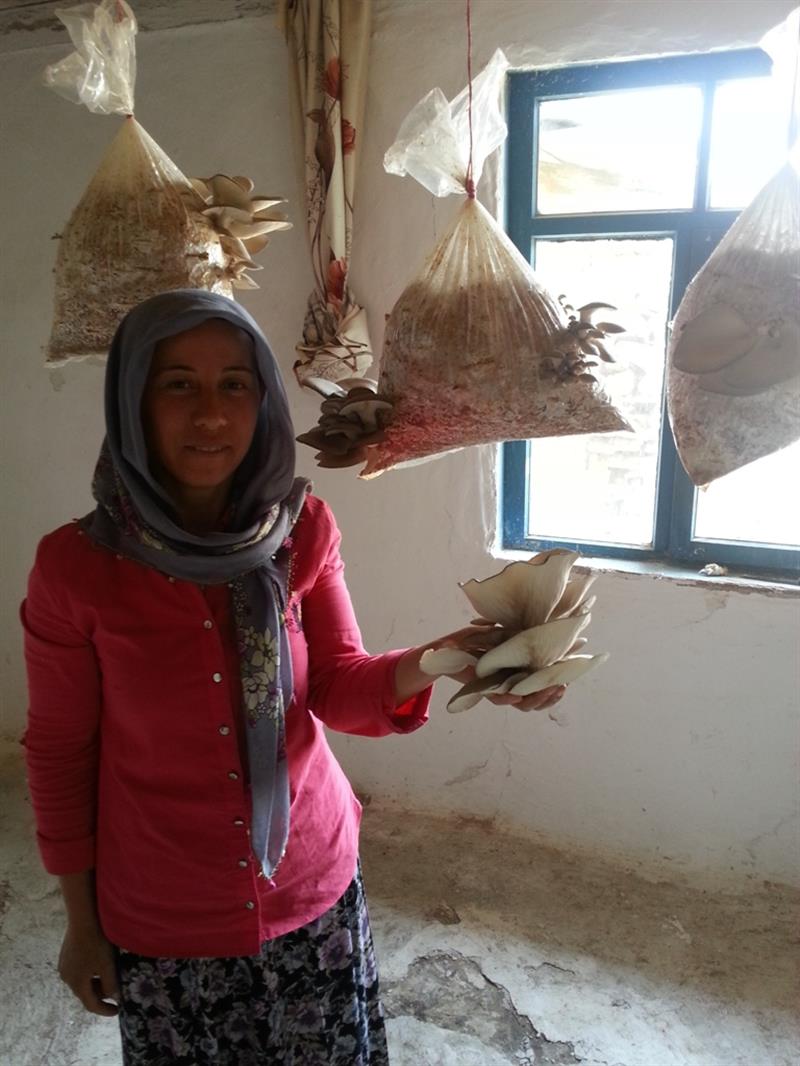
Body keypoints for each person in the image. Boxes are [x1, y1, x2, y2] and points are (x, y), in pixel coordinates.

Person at [21, 289, 565, 1066]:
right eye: (177, 384)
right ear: (132, 398)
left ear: (264, 399)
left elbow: (337, 685)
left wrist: (454, 657)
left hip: (314, 894)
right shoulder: (76, 570)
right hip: (167, 920)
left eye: (234, 384)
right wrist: (80, 924)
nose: (211, 414)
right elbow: (60, 753)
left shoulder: (301, 530)